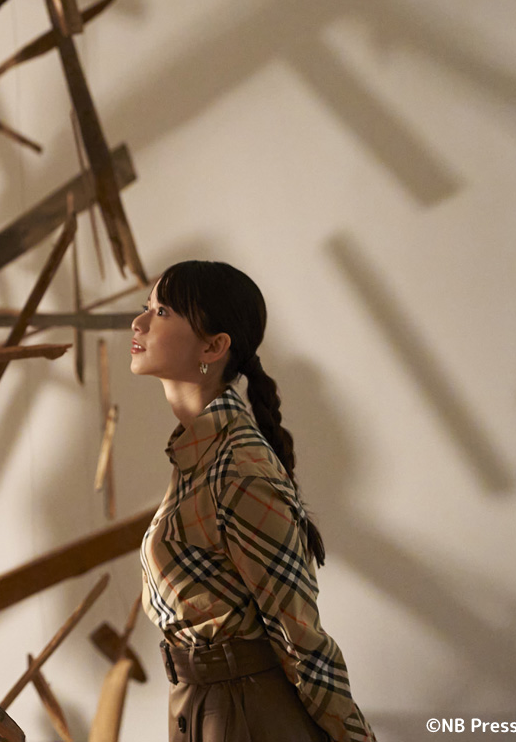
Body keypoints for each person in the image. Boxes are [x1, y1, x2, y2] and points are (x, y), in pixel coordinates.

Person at [131, 260, 376, 742]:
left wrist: (354, 737)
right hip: (203, 705)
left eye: (161, 312)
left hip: (246, 716)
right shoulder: (198, 456)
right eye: (146, 308)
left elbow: (299, 636)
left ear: (213, 347)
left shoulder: (239, 467)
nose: (138, 323)